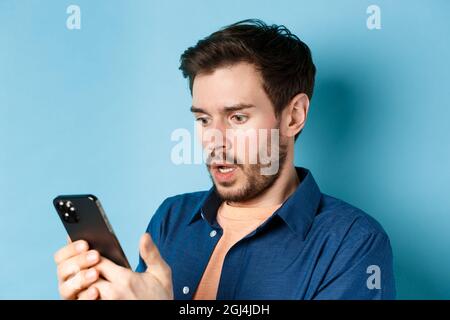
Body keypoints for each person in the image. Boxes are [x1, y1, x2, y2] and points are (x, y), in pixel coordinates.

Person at [53, 19, 396, 300]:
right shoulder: (171, 219)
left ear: (293, 116)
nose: (214, 140)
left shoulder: (353, 244)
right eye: (203, 119)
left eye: (237, 118)